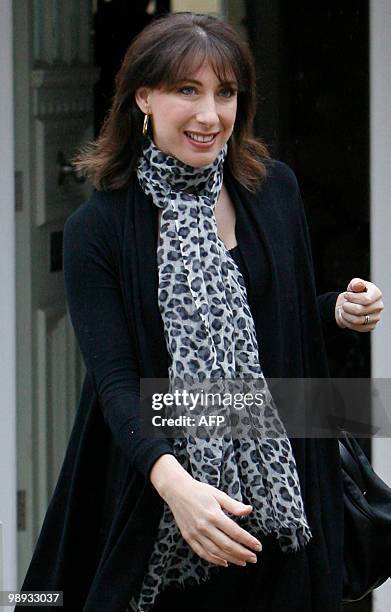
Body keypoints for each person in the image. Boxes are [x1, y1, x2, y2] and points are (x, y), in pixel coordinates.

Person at [17, 11, 384, 612]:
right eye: (187, 90)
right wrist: (177, 487)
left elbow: (280, 325)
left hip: (281, 502)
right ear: (143, 96)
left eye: (226, 92)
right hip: (157, 500)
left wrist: (337, 311)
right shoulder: (98, 231)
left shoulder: (274, 190)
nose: (210, 115)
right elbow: (116, 385)